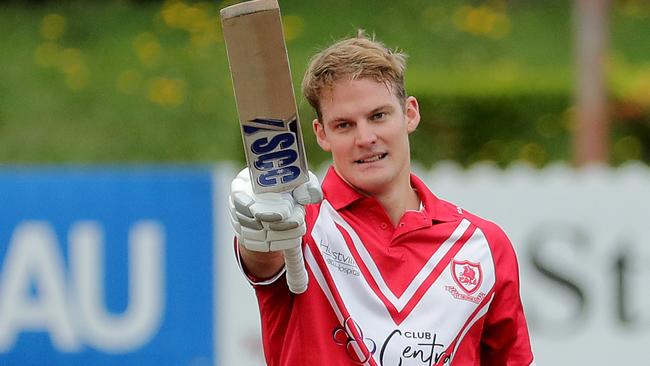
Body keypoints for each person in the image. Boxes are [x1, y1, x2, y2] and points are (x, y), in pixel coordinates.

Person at [228, 31, 535, 365]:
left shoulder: (484, 245)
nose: (366, 137)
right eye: (344, 125)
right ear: (321, 134)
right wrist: (257, 232)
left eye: (378, 116)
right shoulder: (299, 221)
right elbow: (263, 257)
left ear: (410, 113)